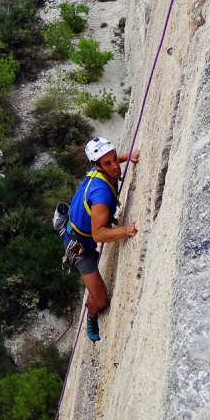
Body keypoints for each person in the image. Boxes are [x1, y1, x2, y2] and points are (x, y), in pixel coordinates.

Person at [62, 137, 140, 342]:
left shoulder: (98, 170)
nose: (115, 166)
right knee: (100, 299)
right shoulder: (102, 194)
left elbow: (110, 161)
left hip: (79, 232)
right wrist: (125, 230)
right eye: (108, 163)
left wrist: (127, 156)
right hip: (80, 248)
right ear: (97, 166)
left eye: (115, 159)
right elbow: (98, 234)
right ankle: (91, 315)